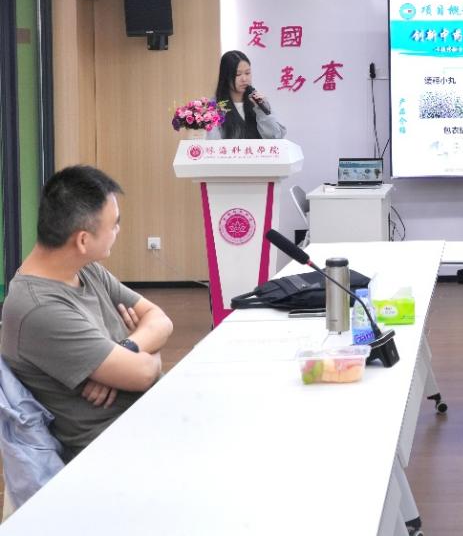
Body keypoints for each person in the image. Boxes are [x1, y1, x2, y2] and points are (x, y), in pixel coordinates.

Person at [0, 166, 174, 462]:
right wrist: (150, 351)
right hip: (113, 448)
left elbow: (160, 319)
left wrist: (127, 347)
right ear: (83, 240)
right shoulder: (39, 308)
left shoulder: (85, 268)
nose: (118, 231)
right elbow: (145, 373)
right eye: (114, 224)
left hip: (147, 420)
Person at [208, 50, 287, 140]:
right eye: (238, 74)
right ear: (225, 76)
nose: (244, 79)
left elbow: (275, 136)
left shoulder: (258, 102)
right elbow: (213, 143)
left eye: (247, 73)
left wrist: (261, 110)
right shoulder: (215, 106)